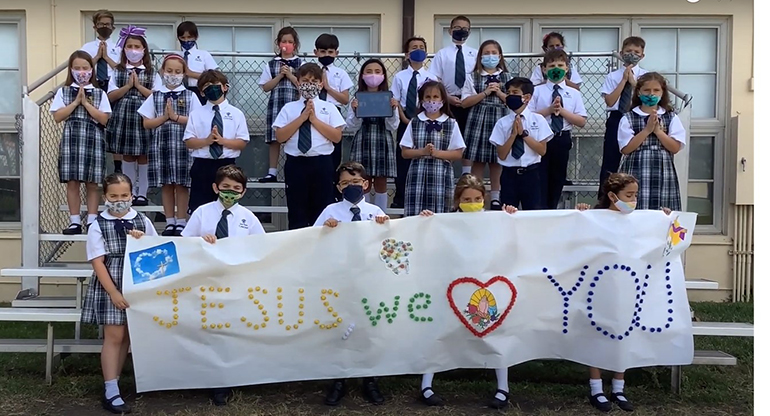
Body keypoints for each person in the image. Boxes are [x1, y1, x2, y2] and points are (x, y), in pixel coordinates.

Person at [417, 174, 516, 409]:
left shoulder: (495, 219)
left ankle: (503, 387)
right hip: (453, 285)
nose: (473, 203)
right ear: (457, 200)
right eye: (467, 199)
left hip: (486, 285)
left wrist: (511, 217)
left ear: (484, 199)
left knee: (495, 332)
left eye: (478, 198)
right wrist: (424, 223)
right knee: (440, 331)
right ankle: (426, 384)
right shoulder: (447, 222)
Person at [576, 172, 672, 413]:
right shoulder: (596, 218)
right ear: (612, 196)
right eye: (628, 195)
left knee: (625, 332)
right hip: (599, 287)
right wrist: (579, 215)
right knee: (597, 333)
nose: (634, 200)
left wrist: (665, 221)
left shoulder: (639, 220)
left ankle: (619, 387)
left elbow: (657, 243)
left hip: (629, 288)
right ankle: (596, 389)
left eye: (635, 195)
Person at [81, 172, 156, 414]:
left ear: (132, 196)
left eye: (124, 195)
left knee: (126, 337)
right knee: (113, 336)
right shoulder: (97, 225)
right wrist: (113, 291)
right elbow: (98, 262)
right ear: (105, 196)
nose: (119, 200)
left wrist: (142, 240)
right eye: (114, 196)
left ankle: (116, 383)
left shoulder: (143, 221)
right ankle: (110, 390)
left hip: (137, 282)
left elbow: (156, 249)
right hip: (111, 283)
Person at [315, 162, 388, 405]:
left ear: (366, 185)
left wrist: (384, 228)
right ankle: (339, 379)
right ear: (338, 187)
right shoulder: (330, 211)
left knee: (368, 329)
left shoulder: (376, 212)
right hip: (341, 279)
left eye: (355, 183)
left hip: (369, 278)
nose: (351, 187)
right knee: (340, 329)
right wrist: (325, 230)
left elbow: (388, 244)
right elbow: (313, 241)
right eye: (345, 183)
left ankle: (370, 379)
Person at [273, 63, 346, 229]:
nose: (309, 84)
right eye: (305, 80)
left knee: (322, 209)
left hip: (322, 163)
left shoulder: (329, 108)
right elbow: (280, 136)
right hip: (296, 163)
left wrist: (314, 120)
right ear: (297, 82)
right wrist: (302, 118)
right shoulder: (289, 108)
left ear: (321, 84)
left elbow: (336, 137)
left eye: (314, 81)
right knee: (297, 210)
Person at [138, 54, 202, 236]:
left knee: (182, 183)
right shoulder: (155, 96)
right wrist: (165, 118)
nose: (173, 75)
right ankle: (169, 221)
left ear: (183, 74)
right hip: (161, 145)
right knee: (166, 184)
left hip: (183, 145)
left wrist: (176, 118)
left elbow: (197, 121)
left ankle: (181, 221)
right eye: (169, 71)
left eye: (177, 72)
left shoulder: (191, 95)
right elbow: (146, 122)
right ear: (162, 72)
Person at [52, 50, 112, 235]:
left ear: (92, 70)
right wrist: (76, 102)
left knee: (92, 182)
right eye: (77, 68)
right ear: (71, 70)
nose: (81, 71)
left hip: (93, 138)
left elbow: (104, 119)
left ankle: (92, 220)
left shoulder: (100, 93)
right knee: (72, 181)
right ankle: (75, 221)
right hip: (72, 137)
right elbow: (57, 116)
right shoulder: (63, 91)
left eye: (85, 68)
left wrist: (86, 104)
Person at [183, 70, 250, 215]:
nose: (211, 88)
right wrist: (207, 141)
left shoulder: (236, 113)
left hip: (227, 164)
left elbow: (242, 143)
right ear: (201, 92)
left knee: (227, 206)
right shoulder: (196, 114)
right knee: (199, 208)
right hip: (202, 165)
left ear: (225, 87)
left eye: (215, 84)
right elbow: (189, 142)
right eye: (207, 86)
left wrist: (222, 141)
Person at [617, 72, 685, 211]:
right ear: (639, 92)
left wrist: (658, 132)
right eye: (647, 90)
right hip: (636, 166)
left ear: (662, 93)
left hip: (662, 168)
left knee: (662, 206)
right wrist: (646, 131)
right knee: (635, 202)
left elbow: (675, 147)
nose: (651, 94)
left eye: (656, 90)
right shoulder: (629, 117)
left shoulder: (670, 117)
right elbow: (626, 149)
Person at [529, 49, 587, 209]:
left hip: (562, 138)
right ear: (544, 69)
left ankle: (552, 209)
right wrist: (548, 110)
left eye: (560, 65)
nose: (556, 68)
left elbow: (581, 121)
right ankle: (539, 210)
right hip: (540, 139)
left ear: (567, 68)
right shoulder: (536, 91)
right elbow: (529, 116)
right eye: (552, 65)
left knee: (557, 179)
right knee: (540, 179)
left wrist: (562, 111)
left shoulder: (574, 93)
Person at [400, 81, 466, 216]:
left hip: (441, 174)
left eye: (436, 97)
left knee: (441, 212)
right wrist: (422, 152)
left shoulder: (450, 123)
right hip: (417, 174)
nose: (432, 101)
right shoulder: (415, 122)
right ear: (422, 99)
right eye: (428, 97)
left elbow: (458, 153)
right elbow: (405, 152)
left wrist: (437, 153)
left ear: (442, 99)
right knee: (417, 213)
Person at [106, 26, 154, 206]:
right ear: (124, 50)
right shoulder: (117, 71)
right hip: (123, 115)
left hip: (144, 115)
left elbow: (156, 95)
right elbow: (110, 96)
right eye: (130, 46)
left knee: (144, 155)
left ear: (144, 50)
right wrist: (127, 87)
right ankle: (129, 192)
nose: (133, 50)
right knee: (127, 155)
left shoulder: (151, 72)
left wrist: (139, 87)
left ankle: (142, 193)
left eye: (137, 47)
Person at [460, 39, 511, 209]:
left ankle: (496, 197)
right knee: (479, 161)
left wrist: (499, 93)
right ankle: (475, 195)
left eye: (493, 53)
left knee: (497, 161)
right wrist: (485, 92)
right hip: (478, 119)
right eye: (486, 53)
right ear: (480, 56)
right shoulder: (472, 76)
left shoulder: (507, 76)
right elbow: (465, 102)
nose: (490, 56)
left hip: (500, 119)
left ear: (500, 56)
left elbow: (513, 101)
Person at [489, 77, 553, 210]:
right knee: (508, 212)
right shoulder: (502, 123)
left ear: (527, 97)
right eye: (508, 93)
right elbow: (501, 154)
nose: (510, 96)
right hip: (509, 175)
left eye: (515, 92)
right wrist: (513, 135)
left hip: (532, 173)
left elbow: (542, 150)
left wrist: (523, 134)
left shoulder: (538, 120)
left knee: (532, 212)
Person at [346, 59, 400, 211]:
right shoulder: (357, 97)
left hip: (383, 138)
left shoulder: (389, 97)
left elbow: (393, 125)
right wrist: (356, 111)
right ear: (362, 76)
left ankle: (380, 213)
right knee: (364, 179)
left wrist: (393, 110)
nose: (373, 75)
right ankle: (365, 213)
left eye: (377, 72)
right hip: (363, 138)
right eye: (369, 72)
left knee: (381, 180)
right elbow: (351, 125)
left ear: (383, 75)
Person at [390, 36, 437, 209]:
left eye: (421, 47)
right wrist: (404, 118)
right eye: (414, 47)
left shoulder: (432, 77)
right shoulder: (399, 77)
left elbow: (434, 101)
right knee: (403, 160)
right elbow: (395, 100)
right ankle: (401, 198)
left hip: (425, 123)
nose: (418, 49)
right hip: (404, 122)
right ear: (406, 54)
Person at [428, 15, 477, 176]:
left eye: (464, 28)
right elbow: (434, 79)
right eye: (457, 28)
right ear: (450, 30)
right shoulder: (442, 54)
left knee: (468, 137)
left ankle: (466, 174)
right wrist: (447, 97)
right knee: (448, 136)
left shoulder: (475, 54)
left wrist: (469, 98)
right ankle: (445, 171)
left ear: (469, 32)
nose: (461, 31)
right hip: (448, 100)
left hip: (470, 100)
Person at [599, 36, 648, 188]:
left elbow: (645, 99)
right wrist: (623, 81)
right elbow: (610, 101)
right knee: (610, 159)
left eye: (636, 51)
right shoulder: (612, 76)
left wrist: (634, 83)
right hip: (617, 117)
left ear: (642, 55)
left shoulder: (646, 76)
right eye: (628, 51)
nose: (632, 54)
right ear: (621, 53)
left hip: (637, 118)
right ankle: (605, 197)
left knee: (636, 157)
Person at [80, 10, 122, 173]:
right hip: (94, 86)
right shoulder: (87, 47)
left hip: (112, 88)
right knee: (95, 123)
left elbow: (120, 70)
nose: (104, 27)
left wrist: (107, 57)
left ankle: (117, 167)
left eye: (107, 24)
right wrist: (97, 56)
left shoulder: (118, 48)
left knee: (114, 125)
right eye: (101, 24)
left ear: (113, 27)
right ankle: (95, 162)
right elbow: (83, 67)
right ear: (94, 26)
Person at [258, 27, 303, 183]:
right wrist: (280, 75)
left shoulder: (301, 63)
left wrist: (290, 75)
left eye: (290, 42)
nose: (287, 44)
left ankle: (293, 169)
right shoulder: (271, 65)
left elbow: (303, 86)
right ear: (278, 43)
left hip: (295, 104)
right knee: (275, 138)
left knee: (294, 136)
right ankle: (272, 172)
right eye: (284, 41)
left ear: (295, 45)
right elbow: (265, 87)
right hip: (276, 104)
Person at [314, 33, 354, 171]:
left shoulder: (341, 73)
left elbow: (344, 99)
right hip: (314, 111)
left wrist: (328, 88)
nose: (327, 54)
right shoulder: (310, 70)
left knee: (334, 151)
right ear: (316, 52)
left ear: (336, 53)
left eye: (330, 52)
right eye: (323, 51)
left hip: (333, 112)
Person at [152, 21, 219, 105]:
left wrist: (190, 73)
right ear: (178, 38)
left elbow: (215, 77)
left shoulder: (203, 55)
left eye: (189, 37)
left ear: (196, 37)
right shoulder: (175, 55)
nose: (186, 40)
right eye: (182, 37)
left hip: (199, 90)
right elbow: (161, 74)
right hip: (178, 90)